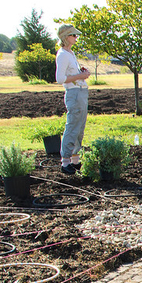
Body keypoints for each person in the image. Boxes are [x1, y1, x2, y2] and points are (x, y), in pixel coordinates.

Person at [55, 24, 91, 175]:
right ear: (66, 37)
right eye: (74, 35)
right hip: (74, 93)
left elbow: (70, 74)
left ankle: (75, 160)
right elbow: (60, 78)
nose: (76, 38)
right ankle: (65, 162)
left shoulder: (70, 53)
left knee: (80, 127)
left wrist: (80, 72)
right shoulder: (63, 54)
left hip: (81, 92)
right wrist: (80, 76)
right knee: (72, 127)